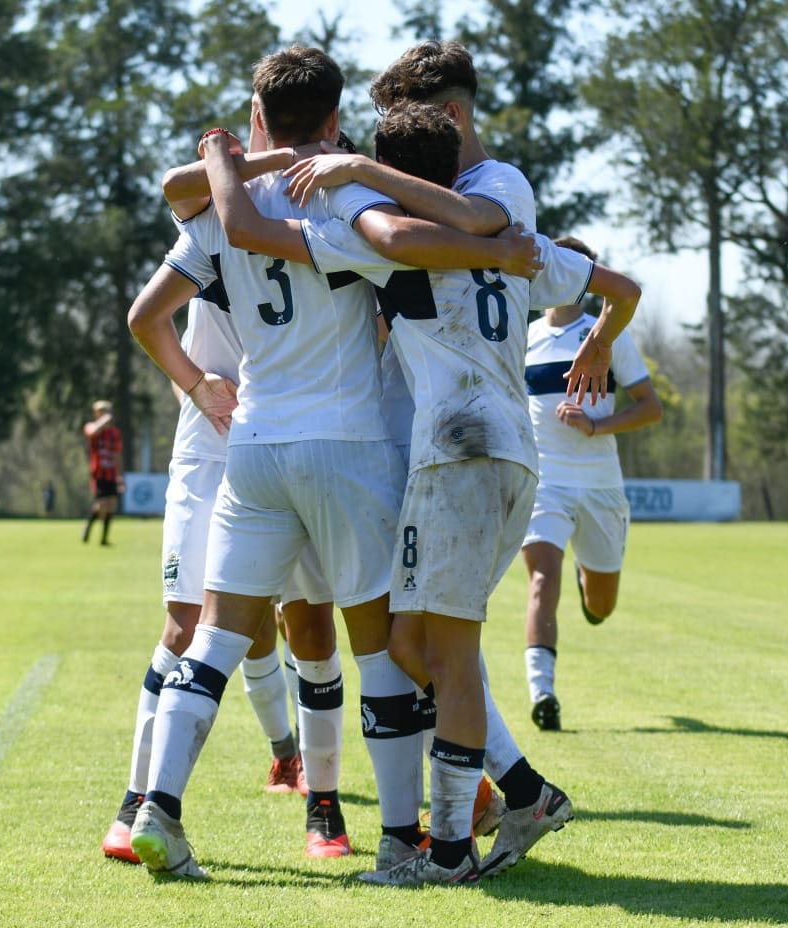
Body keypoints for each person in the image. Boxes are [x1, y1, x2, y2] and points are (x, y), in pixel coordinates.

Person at [125, 46, 540, 882]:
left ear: (258, 115)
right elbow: (417, 242)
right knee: (379, 646)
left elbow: (149, 306)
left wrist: (226, 159)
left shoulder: (221, 201)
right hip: (351, 446)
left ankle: (157, 813)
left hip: (254, 445)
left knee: (215, 640)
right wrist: (496, 246)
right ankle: (399, 840)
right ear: (331, 119)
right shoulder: (348, 190)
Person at [285, 40, 641, 882]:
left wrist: (336, 176)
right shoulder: (506, 239)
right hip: (478, 451)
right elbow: (614, 284)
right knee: (417, 642)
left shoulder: (483, 197)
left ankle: (447, 852)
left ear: (446, 116)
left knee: (443, 651)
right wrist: (596, 337)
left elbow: (440, 228)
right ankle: (520, 788)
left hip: (464, 450)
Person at [100, 285, 325, 865]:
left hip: (297, 446)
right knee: (190, 623)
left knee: (298, 624)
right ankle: (135, 806)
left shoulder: (315, 210)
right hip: (209, 451)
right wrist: (198, 389)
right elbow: (153, 323)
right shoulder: (207, 220)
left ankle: (316, 793)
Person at [522, 237, 663, 732]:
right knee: (542, 577)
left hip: (600, 483)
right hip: (545, 484)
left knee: (602, 606)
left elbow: (651, 406)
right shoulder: (524, 337)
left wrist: (597, 425)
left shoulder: (609, 335)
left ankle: (591, 582)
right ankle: (543, 691)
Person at [82, 400, 124, 545]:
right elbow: (91, 431)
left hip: (111, 474)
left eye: (106, 411)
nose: (104, 414)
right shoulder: (91, 427)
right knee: (101, 504)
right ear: (96, 413)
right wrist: (103, 420)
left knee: (111, 505)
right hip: (98, 473)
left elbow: (117, 455)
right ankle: (87, 527)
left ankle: (104, 539)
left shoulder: (114, 433)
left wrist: (119, 477)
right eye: (101, 411)